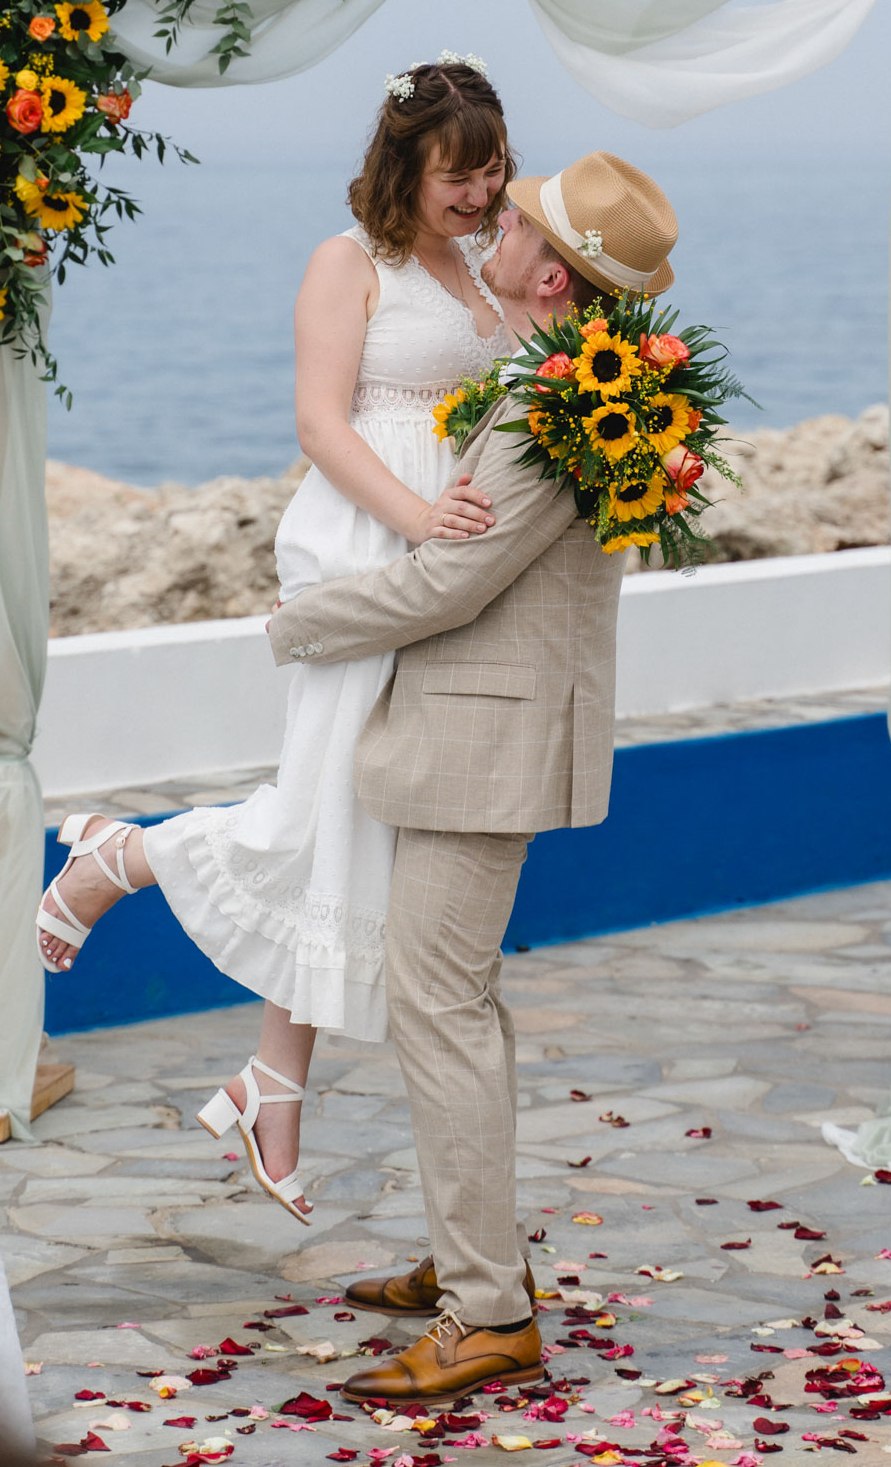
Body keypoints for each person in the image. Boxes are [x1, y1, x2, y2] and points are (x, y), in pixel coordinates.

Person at [35, 56, 516, 1222]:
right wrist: (414, 522)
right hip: (367, 540)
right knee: (331, 804)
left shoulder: (490, 267)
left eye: (493, 167)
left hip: (449, 553)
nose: (479, 191)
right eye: (458, 173)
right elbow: (317, 418)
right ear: (404, 166)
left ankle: (271, 1077)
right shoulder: (346, 263)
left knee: (346, 815)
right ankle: (123, 861)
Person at [268, 151, 679, 1402]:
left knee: (441, 1013)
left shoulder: (558, 407)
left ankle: (488, 1310)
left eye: (517, 222)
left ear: (548, 272)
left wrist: (300, 622)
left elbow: (451, 577)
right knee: (463, 1007)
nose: (494, 229)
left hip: (477, 742)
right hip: (495, 732)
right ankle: (477, 1260)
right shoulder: (572, 386)